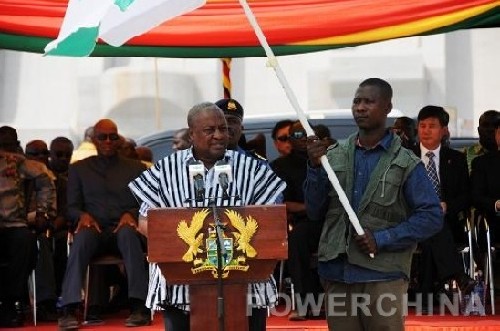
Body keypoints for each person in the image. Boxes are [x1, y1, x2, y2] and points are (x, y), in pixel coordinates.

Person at [129, 102, 286, 331]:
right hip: (180, 287)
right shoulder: (165, 170)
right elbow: (144, 221)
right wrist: (175, 242)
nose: (219, 135)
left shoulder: (252, 169)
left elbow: (272, 221)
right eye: (209, 130)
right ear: (192, 134)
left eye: (223, 128)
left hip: (246, 283)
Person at [304, 78, 443, 330]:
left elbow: (432, 216)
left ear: (388, 108)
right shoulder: (332, 156)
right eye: (357, 101)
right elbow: (314, 211)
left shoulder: (406, 162)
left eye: (369, 101)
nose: (360, 107)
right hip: (338, 273)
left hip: (383, 275)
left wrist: (383, 238)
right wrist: (314, 169)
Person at [58, 119, 150, 330]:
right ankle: (69, 309)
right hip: (95, 230)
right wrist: (81, 215)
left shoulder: (135, 168)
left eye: (113, 137)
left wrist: (132, 214)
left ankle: (139, 307)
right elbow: (70, 207)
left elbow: (147, 203)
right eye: (103, 137)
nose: (108, 141)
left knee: (128, 234)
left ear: (118, 140)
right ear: (94, 140)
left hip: (123, 229)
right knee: (81, 238)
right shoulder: (79, 169)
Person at [413, 105, 476, 312]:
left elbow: (467, 196)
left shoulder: (456, 159)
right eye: (422, 126)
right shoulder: (406, 156)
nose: (426, 131)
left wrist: (447, 205)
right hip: (412, 222)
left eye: (432, 126)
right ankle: (457, 275)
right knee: (431, 223)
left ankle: (425, 294)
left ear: (444, 130)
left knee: (434, 228)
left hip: (447, 223)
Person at [0, 126, 55, 328]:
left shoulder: (23, 164)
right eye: (1, 145)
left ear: (17, 145)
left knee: (26, 242)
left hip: (15, 223)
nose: (5, 151)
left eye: (9, 145)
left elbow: (45, 181)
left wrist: (42, 211)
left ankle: (11, 302)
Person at [271, 120, 323, 321]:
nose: (303, 139)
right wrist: (308, 208)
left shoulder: (328, 159)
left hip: (332, 219)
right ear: (291, 140)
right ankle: (303, 304)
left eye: (306, 134)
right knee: (297, 239)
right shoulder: (280, 166)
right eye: (298, 135)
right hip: (304, 220)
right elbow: (280, 203)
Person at [471, 110, 500, 243]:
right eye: (486, 126)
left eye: (495, 127)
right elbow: (475, 195)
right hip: (481, 213)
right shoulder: (465, 156)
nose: (490, 131)